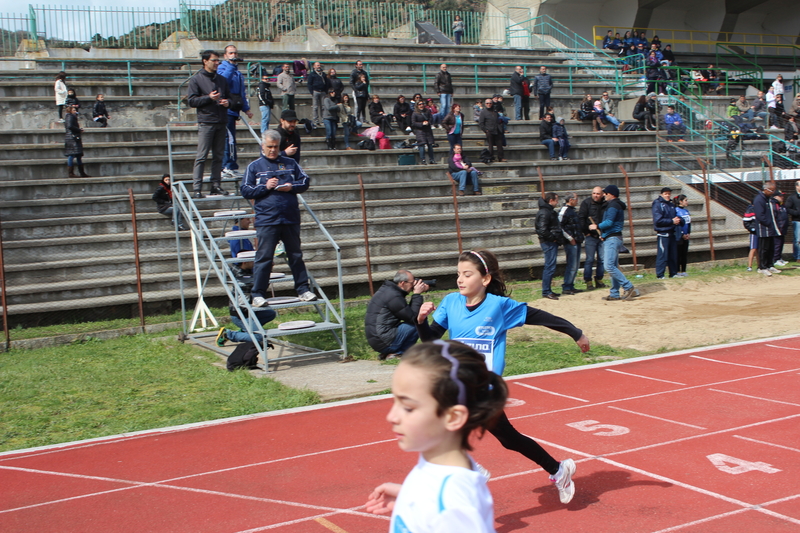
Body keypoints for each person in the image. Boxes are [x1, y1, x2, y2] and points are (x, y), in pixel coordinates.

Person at [414, 249, 589, 504]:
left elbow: (542, 317)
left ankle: (472, 471)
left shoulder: (499, 306)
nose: (460, 280)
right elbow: (430, 339)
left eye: (467, 274)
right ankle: (558, 470)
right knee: (509, 439)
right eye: (458, 274)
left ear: (485, 279)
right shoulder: (451, 302)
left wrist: (576, 333)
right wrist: (420, 320)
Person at [364, 340, 508, 531]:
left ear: (453, 417)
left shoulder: (450, 502)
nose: (391, 416)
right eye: (394, 401)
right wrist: (410, 497)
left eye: (408, 407)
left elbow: (447, 509)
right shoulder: (439, 471)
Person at [241, 129, 316, 306]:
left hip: (290, 218)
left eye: (275, 147)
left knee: (295, 255)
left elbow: (305, 181)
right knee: (264, 257)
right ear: (262, 146)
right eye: (269, 147)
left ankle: (303, 289)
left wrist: (291, 187)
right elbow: (245, 189)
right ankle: (258, 293)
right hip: (267, 220)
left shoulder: (290, 163)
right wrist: (265, 187)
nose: (273, 150)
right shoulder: (254, 166)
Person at [187, 49, 231, 198]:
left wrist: (228, 102)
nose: (217, 63)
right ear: (205, 61)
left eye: (218, 60)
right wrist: (209, 98)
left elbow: (232, 98)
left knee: (219, 156)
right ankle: (197, 188)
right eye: (214, 60)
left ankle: (216, 185)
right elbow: (191, 101)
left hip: (221, 120)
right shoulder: (196, 79)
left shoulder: (222, 80)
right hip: (206, 121)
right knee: (202, 156)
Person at [364, 270, 428, 360]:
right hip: (383, 340)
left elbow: (408, 313)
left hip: (378, 339)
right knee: (420, 321)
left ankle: (388, 353)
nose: (413, 285)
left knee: (417, 320)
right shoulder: (394, 296)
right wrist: (417, 294)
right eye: (412, 283)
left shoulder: (388, 291)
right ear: (402, 283)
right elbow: (413, 318)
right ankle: (398, 352)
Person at [589, 184, 639, 300]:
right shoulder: (615, 205)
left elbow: (609, 222)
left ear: (610, 194)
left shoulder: (613, 205)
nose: (604, 195)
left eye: (605, 193)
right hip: (612, 237)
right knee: (613, 266)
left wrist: (597, 226)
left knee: (609, 266)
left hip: (612, 239)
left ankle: (628, 286)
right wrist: (604, 234)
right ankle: (614, 293)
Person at [217, 45, 254, 179]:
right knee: (228, 140)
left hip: (234, 110)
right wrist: (231, 66)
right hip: (224, 111)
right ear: (225, 55)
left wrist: (246, 108)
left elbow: (241, 93)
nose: (233, 55)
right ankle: (226, 166)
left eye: (235, 53)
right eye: (230, 53)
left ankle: (232, 165)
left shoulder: (238, 72)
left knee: (232, 140)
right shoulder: (222, 68)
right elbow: (222, 81)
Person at [536, 192, 564, 300]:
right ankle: (546, 291)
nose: (557, 202)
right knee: (549, 266)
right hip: (548, 242)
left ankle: (548, 290)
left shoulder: (547, 211)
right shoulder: (545, 212)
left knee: (551, 266)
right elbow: (542, 229)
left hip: (550, 241)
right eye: (556, 200)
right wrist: (553, 238)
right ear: (551, 200)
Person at [578, 186, 607, 290]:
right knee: (589, 259)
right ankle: (588, 281)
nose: (595, 195)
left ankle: (599, 279)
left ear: (602, 194)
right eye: (594, 193)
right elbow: (581, 219)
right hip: (591, 236)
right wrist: (586, 231)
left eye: (598, 194)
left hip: (602, 236)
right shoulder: (586, 203)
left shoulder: (605, 204)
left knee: (602, 260)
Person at [652, 186, 683, 280]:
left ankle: (673, 273)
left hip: (672, 232)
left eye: (669, 194)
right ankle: (660, 275)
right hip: (663, 233)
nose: (668, 195)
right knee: (662, 254)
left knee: (673, 254)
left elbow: (676, 216)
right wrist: (672, 221)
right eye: (666, 194)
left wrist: (679, 220)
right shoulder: (657, 204)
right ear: (662, 194)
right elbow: (658, 220)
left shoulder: (671, 205)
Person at [752, 181, 781, 276]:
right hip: (763, 228)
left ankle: (769, 265)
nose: (773, 192)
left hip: (771, 228)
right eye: (771, 190)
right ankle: (762, 267)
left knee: (771, 247)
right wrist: (768, 223)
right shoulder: (759, 199)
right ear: (765, 189)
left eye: (774, 190)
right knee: (763, 248)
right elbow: (760, 215)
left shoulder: (769, 199)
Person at [558, 192, 584, 295]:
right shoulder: (564, 210)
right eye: (576, 199)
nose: (577, 201)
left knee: (576, 264)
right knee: (572, 264)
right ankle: (567, 286)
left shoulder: (572, 211)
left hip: (576, 240)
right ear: (571, 200)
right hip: (570, 242)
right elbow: (559, 225)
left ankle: (571, 285)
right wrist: (569, 238)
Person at [64, 105, 91, 178]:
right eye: (73, 110)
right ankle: (71, 173)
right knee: (72, 155)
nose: (75, 111)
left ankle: (81, 172)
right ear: (70, 111)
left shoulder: (69, 117)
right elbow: (70, 126)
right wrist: (79, 130)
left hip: (72, 137)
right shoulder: (70, 116)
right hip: (72, 138)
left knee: (78, 155)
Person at [479, 98, 505, 162]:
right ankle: (491, 157)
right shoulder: (483, 112)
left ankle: (500, 157)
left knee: (499, 145)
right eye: (487, 103)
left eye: (490, 103)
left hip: (497, 130)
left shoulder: (495, 111)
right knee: (490, 145)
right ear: (485, 104)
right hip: (489, 131)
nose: (489, 104)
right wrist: (486, 130)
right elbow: (481, 123)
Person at [411, 100, 435, 164]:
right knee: (422, 145)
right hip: (420, 131)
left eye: (422, 104)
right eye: (420, 104)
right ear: (417, 105)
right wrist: (421, 124)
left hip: (428, 130)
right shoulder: (415, 113)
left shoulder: (427, 111)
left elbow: (431, 119)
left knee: (430, 145)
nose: (421, 105)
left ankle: (431, 159)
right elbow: (413, 123)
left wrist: (428, 122)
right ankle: (423, 159)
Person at [673, 194, 691, 277]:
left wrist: (688, 233)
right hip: (679, 236)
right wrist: (682, 234)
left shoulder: (686, 211)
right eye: (685, 200)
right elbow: (678, 225)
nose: (687, 202)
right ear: (680, 201)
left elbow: (688, 223)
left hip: (686, 236)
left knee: (684, 254)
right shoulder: (676, 210)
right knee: (678, 254)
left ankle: (684, 270)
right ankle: (677, 271)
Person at [307, 61, 328, 127]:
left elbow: (327, 83)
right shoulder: (312, 74)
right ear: (314, 67)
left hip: (323, 92)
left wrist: (326, 91)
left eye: (319, 65)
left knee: (323, 106)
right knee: (315, 107)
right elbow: (309, 84)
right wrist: (311, 92)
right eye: (317, 65)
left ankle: (323, 119)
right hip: (315, 91)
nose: (318, 66)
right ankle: (316, 120)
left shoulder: (323, 74)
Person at [772, 192, 789, 266]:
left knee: (781, 243)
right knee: (777, 244)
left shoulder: (782, 205)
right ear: (775, 197)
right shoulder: (774, 205)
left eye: (782, 196)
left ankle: (779, 258)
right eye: (780, 196)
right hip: (777, 228)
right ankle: (775, 259)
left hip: (783, 228)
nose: (782, 197)